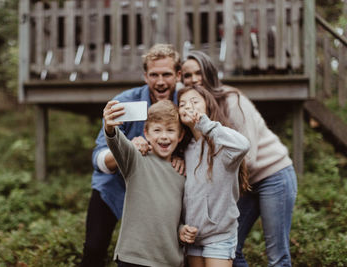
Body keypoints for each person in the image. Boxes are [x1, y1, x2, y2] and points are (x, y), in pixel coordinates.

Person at [181, 50, 298, 267]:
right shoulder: (193, 106)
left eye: (199, 72)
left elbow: (249, 155)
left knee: (277, 256)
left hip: (272, 174)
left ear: (210, 73)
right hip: (243, 183)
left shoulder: (232, 100)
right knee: (231, 249)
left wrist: (215, 191)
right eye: (188, 75)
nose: (194, 79)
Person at [80, 44, 182, 267]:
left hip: (155, 191)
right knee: (94, 248)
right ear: (145, 76)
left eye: (166, 74)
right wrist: (126, 149)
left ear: (178, 75)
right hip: (113, 187)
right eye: (154, 75)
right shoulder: (127, 101)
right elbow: (98, 158)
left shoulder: (185, 103)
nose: (161, 81)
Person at [103, 99, 190, 266]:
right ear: (146, 133)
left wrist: (182, 230)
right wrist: (110, 127)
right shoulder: (136, 159)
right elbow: (118, 144)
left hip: (169, 261)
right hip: (133, 258)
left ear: (180, 136)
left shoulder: (182, 171)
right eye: (157, 130)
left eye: (170, 130)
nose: (164, 136)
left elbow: (175, 216)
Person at [177, 85, 250, 267]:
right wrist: (181, 227)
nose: (187, 106)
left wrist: (205, 125)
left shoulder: (221, 144)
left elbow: (243, 145)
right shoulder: (182, 148)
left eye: (194, 102)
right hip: (193, 237)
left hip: (220, 236)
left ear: (208, 106)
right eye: (182, 104)